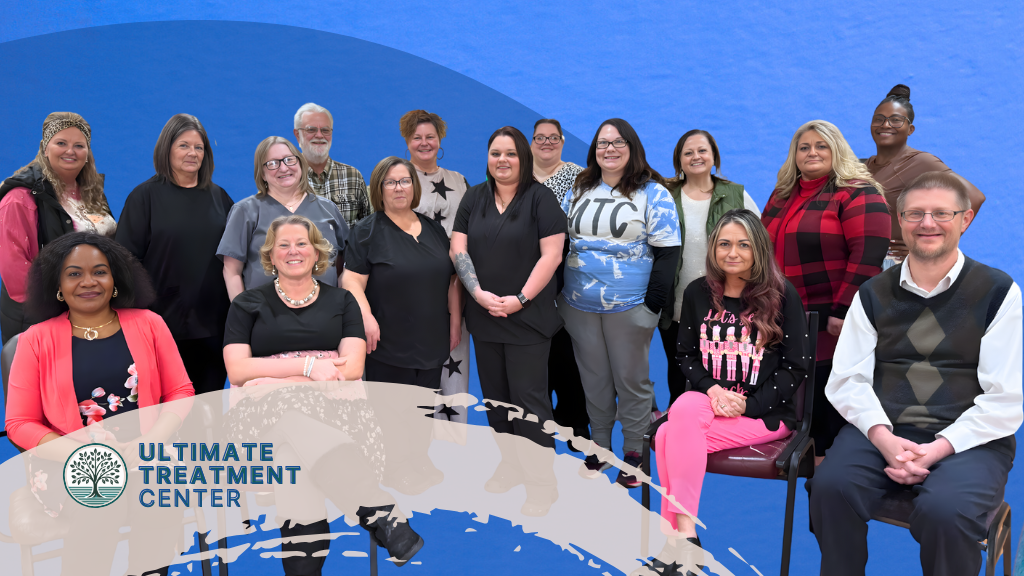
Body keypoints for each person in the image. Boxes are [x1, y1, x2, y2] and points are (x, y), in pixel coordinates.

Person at [807, 172, 1021, 576]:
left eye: (942, 213)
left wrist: (938, 448)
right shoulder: (872, 293)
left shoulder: (998, 292)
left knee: (945, 512)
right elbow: (847, 378)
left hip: (968, 440)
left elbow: (1004, 398)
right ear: (899, 220)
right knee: (828, 489)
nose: (927, 223)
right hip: (883, 429)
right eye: (915, 213)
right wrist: (884, 439)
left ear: (966, 219)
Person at [223, 214, 422, 572]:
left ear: (318, 253)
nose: (293, 251)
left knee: (291, 459)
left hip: (336, 418)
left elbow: (353, 368)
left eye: (302, 243)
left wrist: (271, 377)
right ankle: (380, 514)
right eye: (283, 244)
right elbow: (237, 370)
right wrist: (310, 368)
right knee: (289, 417)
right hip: (259, 425)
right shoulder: (247, 304)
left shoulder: (343, 301)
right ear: (270, 254)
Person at [5, 232, 194, 576]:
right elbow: (19, 422)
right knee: (101, 500)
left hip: (144, 451)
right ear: (58, 285)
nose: (88, 281)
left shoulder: (150, 324)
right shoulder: (35, 340)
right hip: (68, 458)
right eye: (74, 273)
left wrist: (152, 442)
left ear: (115, 279)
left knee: (162, 495)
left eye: (100, 271)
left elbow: (180, 390)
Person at [642, 210, 809, 574]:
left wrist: (747, 405)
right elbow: (685, 355)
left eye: (743, 245)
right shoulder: (698, 292)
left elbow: (797, 366)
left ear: (758, 249)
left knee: (671, 429)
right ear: (713, 249)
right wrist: (715, 390)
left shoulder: (782, 295)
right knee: (684, 409)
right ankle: (685, 537)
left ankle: (677, 540)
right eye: (724, 244)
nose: (732, 252)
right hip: (705, 405)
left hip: (766, 416)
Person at [558, 118, 681, 487]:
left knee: (632, 381)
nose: (609, 149)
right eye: (602, 143)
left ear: (632, 148)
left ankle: (634, 452)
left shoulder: (653, 193)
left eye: (617, 142)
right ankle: (600, 447)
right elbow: (561, 243)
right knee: (593, 380)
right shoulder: (579, 188)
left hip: (629, 307)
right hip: (578, 305)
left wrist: (651, 308)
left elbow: (667, 255)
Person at [761, 120, 890, 463]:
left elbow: (869, 254)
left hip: (830, 324)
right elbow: (761, 250)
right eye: (804, 147)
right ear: (795, 155)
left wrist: (842, 310)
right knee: (798, 413)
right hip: (786, 318)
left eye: (822, 146)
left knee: (825, 415)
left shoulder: (858, 192)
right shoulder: (782, 194)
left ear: (837, 150)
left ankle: (829, 492)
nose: (812, 152)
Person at [451, 126, 565, 514]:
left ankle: (541, 484)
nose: (502, 160)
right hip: (485, 316)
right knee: (496, 399)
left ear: (524, 158)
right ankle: (510, 464)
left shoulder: (541, 199)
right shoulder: (474, 198)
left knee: (529, 402)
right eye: (495, 153)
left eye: (511, 154)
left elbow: (551, 256)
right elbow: (458, 248)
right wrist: (478, 293)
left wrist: (520, 299)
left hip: (528, 320)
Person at [116, 113, 234, 395]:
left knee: (208, 412)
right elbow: (124, 262)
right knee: (167, 413)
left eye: (199, 147)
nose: (192, 153)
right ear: (166, 148)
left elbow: (237, 259)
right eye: (184, 145)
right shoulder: (144, 197)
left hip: (214, 327)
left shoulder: (220, 198)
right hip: (161, 325)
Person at [658, 129, 761, 408]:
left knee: (726, 378)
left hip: (730, 308)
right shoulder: (665, 196)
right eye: (688, 152)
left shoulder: (735, 194)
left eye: (702, 150)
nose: (696, 157)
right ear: (678, 161)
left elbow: (760, 241)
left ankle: (721, 436)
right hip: (677, 306)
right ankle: (680, 434)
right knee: (679, 377)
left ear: (714, 156)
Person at [343, 156, 459, 388]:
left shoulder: (434, 230)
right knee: (393, 423)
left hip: (432, 346)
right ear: (379, 188)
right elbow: (351, 280)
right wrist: (365, 318)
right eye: (390, 182)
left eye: (405, 181)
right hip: (388, 348)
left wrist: (455, 322)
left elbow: (452, 280)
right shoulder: (366, 232)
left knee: (424, 423)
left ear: (414, 187)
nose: (399, 188)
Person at [0, 112, 116, 344]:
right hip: (42, 317)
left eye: (79, 145)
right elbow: (16, 273)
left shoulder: (92, 193)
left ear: (87, 153)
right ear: (45, 148)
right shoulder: (20, 198)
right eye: (61, 143)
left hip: (88, 310)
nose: (70, 151)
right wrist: (63, 305)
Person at [864, 84, 986, 269]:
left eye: (896, 120)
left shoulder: (921, 162)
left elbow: (974, 197)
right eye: (879, 119)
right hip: (861, 261)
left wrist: (932, 241)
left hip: (892, 264)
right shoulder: (861, 166)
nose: (885, 125)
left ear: (910, 129)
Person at [400, 109, 472, 417]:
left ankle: (454, 450)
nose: (424, 143)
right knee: (414, 375)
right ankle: (414, 451)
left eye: (430, 136)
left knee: (454, 372)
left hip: (456, 285)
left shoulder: (459, 181)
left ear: (440, 140)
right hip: (409, 292)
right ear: (407, 141)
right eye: (417, 137)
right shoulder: (396, 179)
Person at [218, 136, 349, 301]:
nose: (283, 168)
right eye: (272, 163)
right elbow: (231, 271)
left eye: (289, 160)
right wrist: (243, 313)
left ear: (300, 163)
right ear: (262, 173)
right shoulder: (245, 211)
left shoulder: (328, 209)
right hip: (265, 316)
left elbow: (345, 265)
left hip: (326, 314)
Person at [531, 118, 590, 448]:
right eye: (540, 137)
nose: (547, 143)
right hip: (528, 270)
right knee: (540, 349)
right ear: (531, 143)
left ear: (563, 141)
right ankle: (542, 423)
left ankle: (575, 421)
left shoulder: (581, 176)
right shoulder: (518, 173)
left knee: (571, 348)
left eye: (553, 138)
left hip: (571, 270)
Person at [293, 102, 371, 227]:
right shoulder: (285, 178)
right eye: (311, 130)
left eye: (325, 130)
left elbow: (367, 228)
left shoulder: (353, 176)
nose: (319, 135)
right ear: (297, 135)